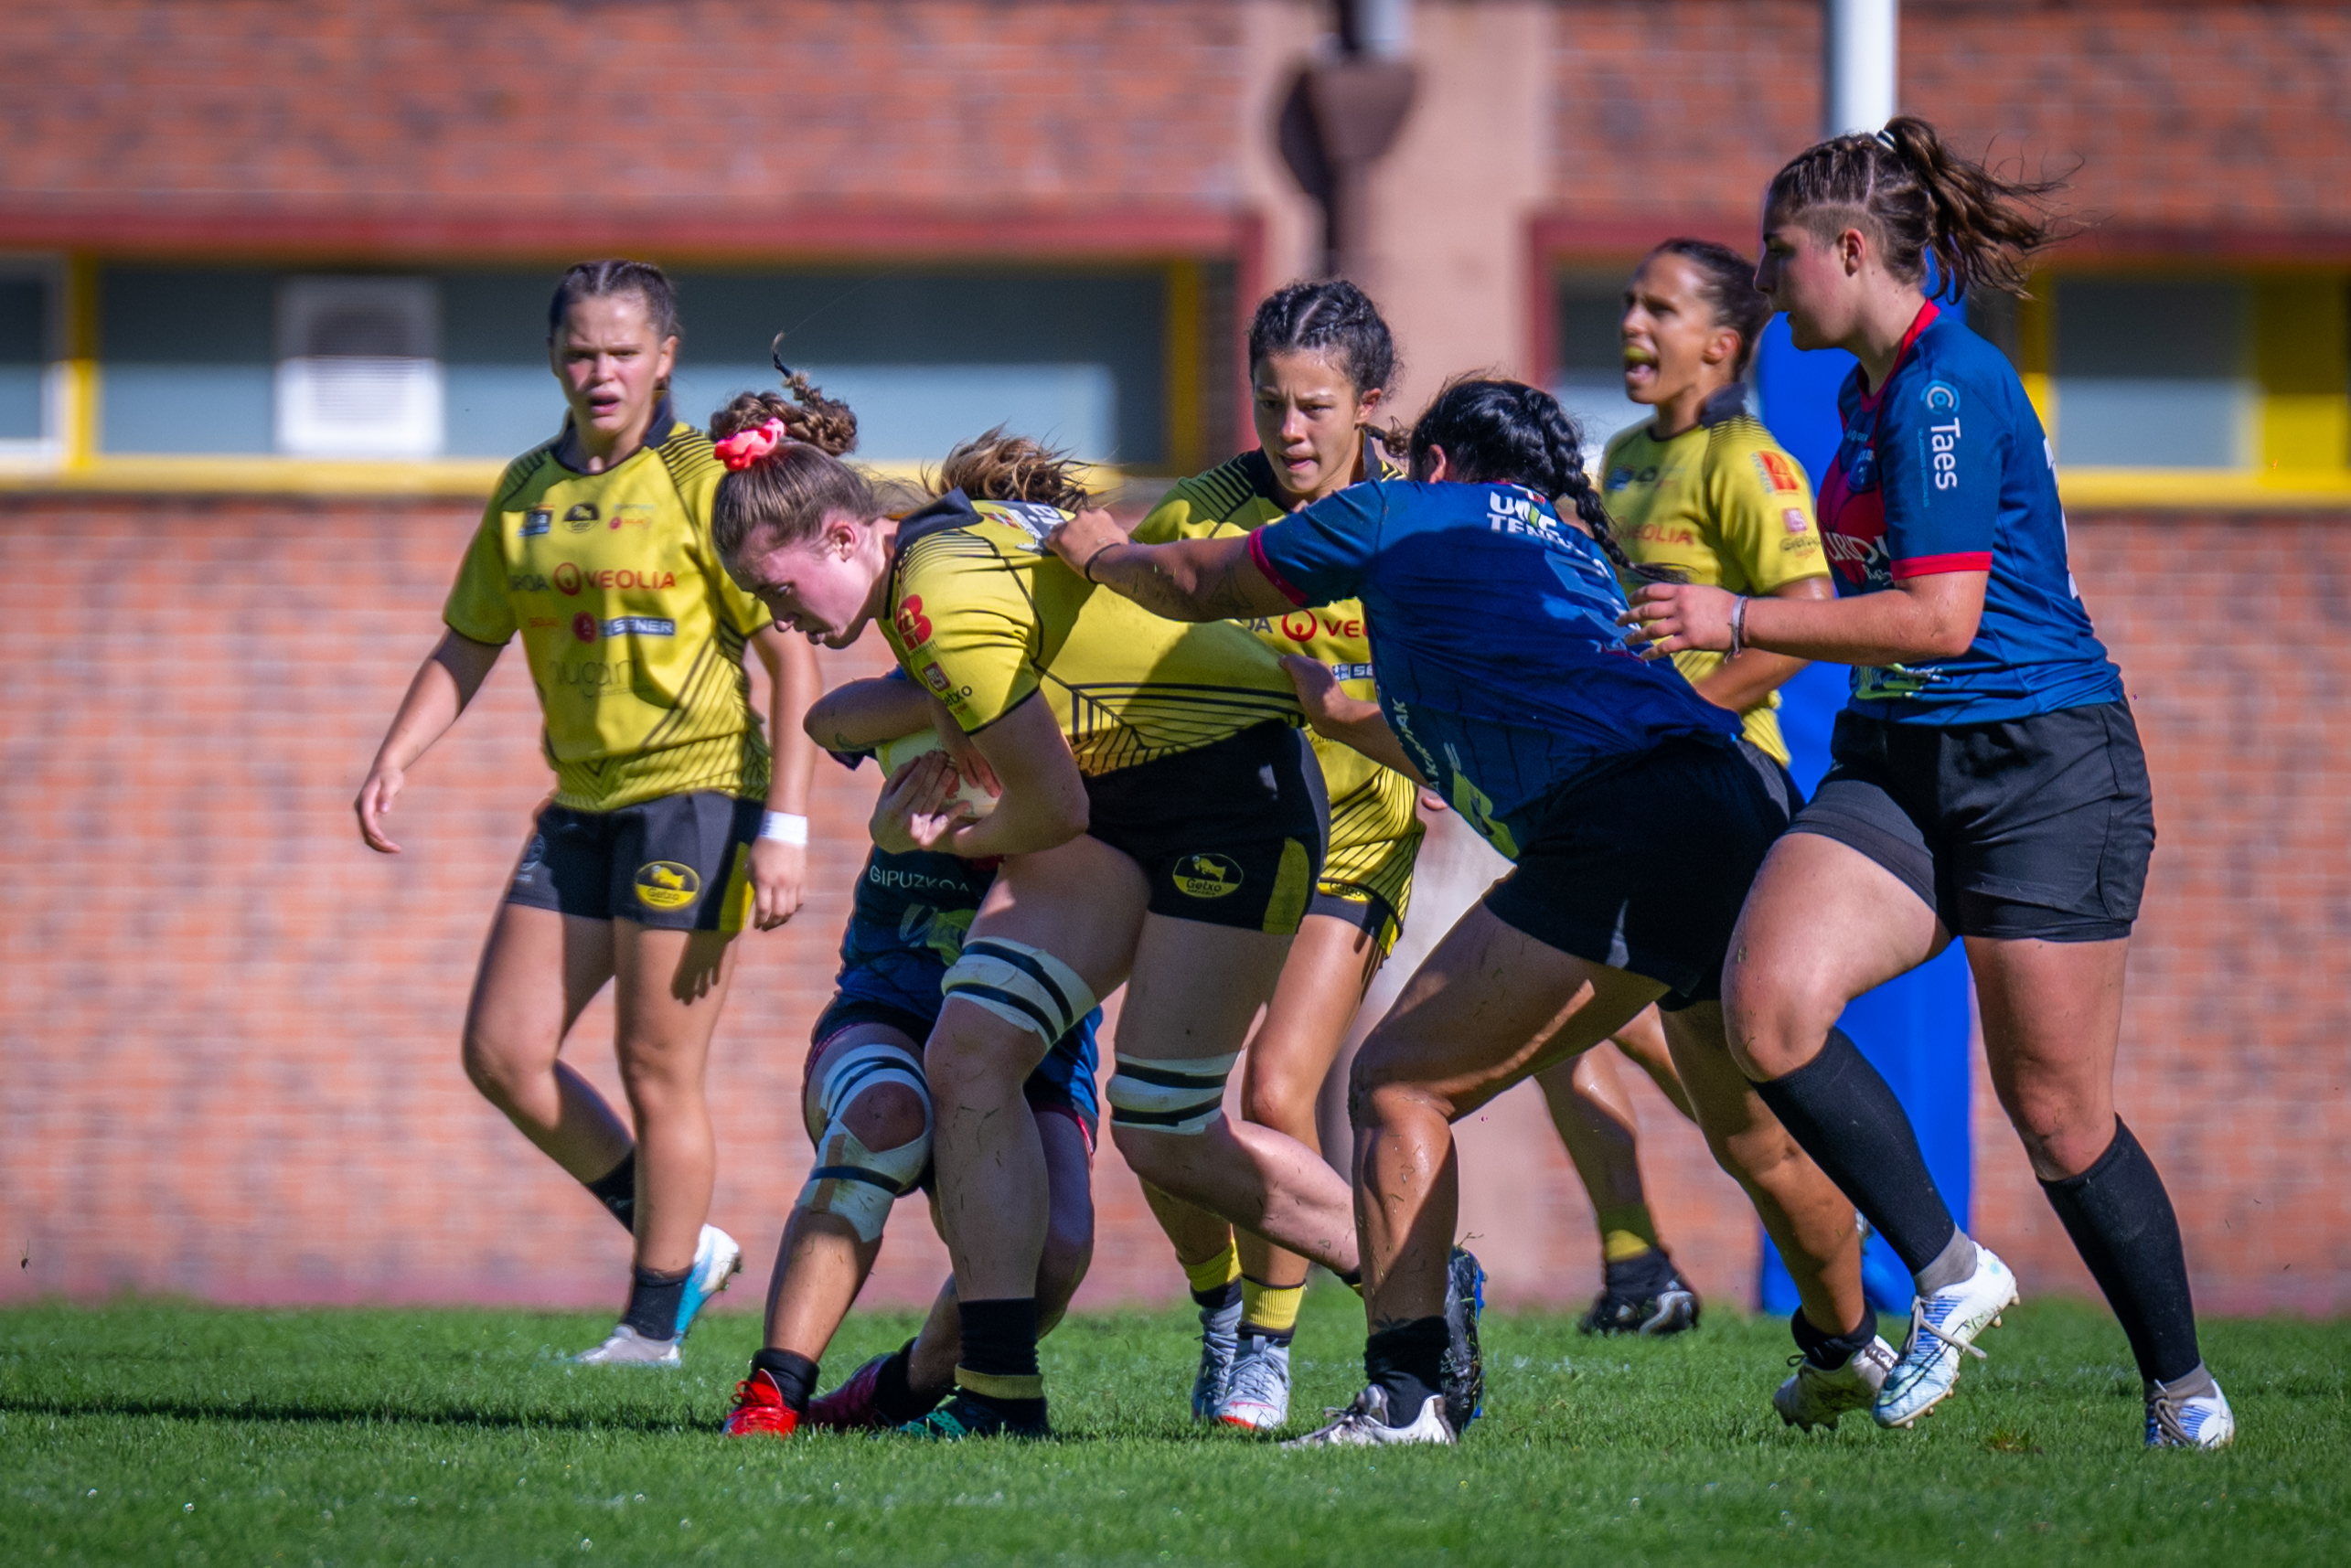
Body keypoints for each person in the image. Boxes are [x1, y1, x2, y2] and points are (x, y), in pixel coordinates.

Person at [1049, 377, 1874, 1446]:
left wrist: (1102, 554)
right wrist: (1342, 712)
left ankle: (1404, 1397)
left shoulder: (1398, 509)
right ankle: (1849, 1350)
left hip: (1628, 824)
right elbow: (1477, 723)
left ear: (1431, 457)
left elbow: (1203, 578)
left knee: (1396, 1084)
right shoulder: (1567, 548)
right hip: (1734, 797)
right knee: (1754, 1136)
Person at [1625, 116, 2231, 1449]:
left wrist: (1737, 619)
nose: (1766, 277)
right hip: (1896, 763)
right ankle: (1951, 1270)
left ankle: (2180, 1387)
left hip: (2040, 767)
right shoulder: (1863, 389)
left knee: (2057, 1115)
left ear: (1849, 248)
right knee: (1762, 1005)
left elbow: (1941, 617)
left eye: (1781, 253)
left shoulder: (1944, 385)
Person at [708, 411, 1476, 1441]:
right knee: (970, 1049)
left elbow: (1048, 806)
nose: (780, 617)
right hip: (1125, 798)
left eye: (779, 589)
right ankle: (999, 1398)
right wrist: (838, 723)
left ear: (846, 538)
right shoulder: (936, 547)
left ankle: (1418, 1272)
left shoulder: (936, 594)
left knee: (1166, 1123)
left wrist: (930, 828)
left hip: (1232, 794)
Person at [354, 260, 821, 1365]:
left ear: (665, 356)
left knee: (655, 1064)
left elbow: (793, 666)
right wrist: (395, 755)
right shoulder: (527, 489)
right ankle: (684, 1242)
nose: (599, 369)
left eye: (622, 349)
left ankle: (651, 1327)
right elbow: (470, 639)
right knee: (503, 1051)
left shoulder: (709, 480)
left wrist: (786, 827)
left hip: (699, 799)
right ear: (553, 357)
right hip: (581, 804)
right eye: (580, 350)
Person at [1126, 279, 1451, 1431]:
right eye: (1270, 403)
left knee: (1274, 1089)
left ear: (1371, 402)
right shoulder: (1201, 517)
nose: (1290, 431)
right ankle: (1219, 1303)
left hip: (1357, 841)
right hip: (1228, 834)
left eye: (1314, 404)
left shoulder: (1417, 513)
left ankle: (1266, 1346)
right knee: (1161, 1110)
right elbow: (1120, 643)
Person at [1537, 237, 1837, 1337]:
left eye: (1658, 310)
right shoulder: (1617, 459)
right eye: (1626, 304)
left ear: (1722, 344)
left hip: (1719, 785)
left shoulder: (1749, 462)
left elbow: (1808, 603)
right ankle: (1648, 1265)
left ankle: (1867, 1273)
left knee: (1743, 1106)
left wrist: (1699, 710)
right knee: (1564, 1021)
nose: (1631, 326)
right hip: (1629, 782)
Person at [721, 670, 1099, 1439]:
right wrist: (953, 696)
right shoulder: (939, 654)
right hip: (890, 1005)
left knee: (1055, 1254)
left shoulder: (1087, 696)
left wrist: (944, 831)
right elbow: (828, 719)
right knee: (883, 1113)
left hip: (1039, 1035)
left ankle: (894, 1391)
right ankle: (772, 1397)